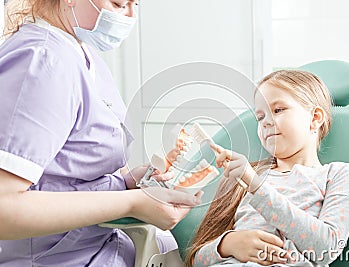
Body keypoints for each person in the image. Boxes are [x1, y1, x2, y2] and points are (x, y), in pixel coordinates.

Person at [0, 0, 202, 266]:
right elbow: (5, 208)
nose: (130, 16)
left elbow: (65, 174)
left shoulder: (80, 53)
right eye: (119, 3)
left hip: (104, 243)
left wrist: (129, 181)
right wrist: (131, 203)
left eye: (135, 4)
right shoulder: (41, 62)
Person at [186, 70, 349, 266]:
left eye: (278, 110)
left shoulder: (339, 174)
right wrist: (226, 245)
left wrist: (256, 186)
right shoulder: (245, 177)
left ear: (315, 118)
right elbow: (195, 261)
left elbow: (327, 249)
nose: (266, 122)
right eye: (260, 117)